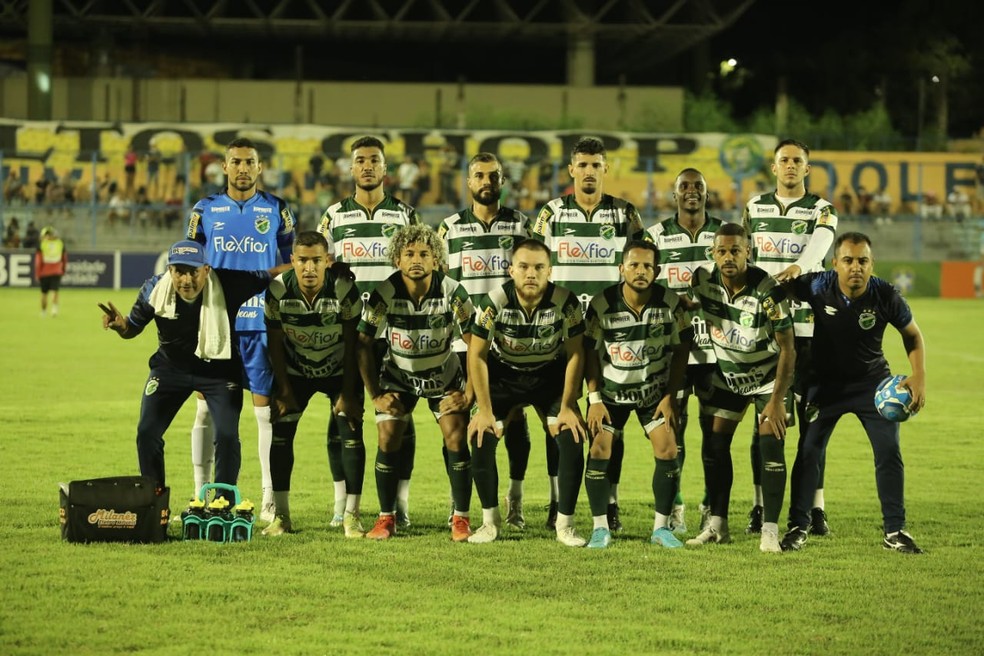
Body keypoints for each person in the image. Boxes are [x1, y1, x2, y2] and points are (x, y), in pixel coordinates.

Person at [780, 232, 927, 554]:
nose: (855, 267)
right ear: (835, 264)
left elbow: (912, 336)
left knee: (888, 452)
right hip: (824, 385)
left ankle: (895, 531)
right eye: (848, 260)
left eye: (862, 261)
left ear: (872, 264)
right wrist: (788, 277)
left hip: (872, 386)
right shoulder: (818, 285)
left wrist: (919, 375)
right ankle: (797, 526)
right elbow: (779, 290)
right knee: (808, 452)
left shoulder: (886, 294)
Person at [98, 240, 286, 491]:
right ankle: (156, 502)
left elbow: (270, 274)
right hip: (169, 370)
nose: (186, 279)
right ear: (169, 271)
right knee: (147, 432)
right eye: (179, 271)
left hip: (219, 372)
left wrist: (301, 263)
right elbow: (132, 327)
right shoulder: (154, 289)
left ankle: (222, 503)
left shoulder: (229, 283)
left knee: (228, 437)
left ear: (206, 270)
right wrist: (122, 328)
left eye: (193, 271)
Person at [532, 135, 644, 531]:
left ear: (605, 169)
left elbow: (640, 269)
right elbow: (536, 267)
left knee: (609, 420)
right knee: (556, 417)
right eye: (583, 165)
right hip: (560, 334)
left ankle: (609, 502)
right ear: (571, 170)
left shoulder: (626, 215)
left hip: (611, 335)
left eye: (597, 165)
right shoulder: (551, 215)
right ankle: (555, 500)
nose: (589, 172)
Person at [185, 137, 296, 520]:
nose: (243, 168)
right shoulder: (205, 210)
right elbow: (190, 263)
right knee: (204, 411)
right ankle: (201, 492)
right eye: (236, 162)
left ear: (260, 167)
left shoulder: (278, 209)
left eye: (250, 162)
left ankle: (268, 495)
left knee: (264, 413)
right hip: (214, 322)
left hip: (260, 323)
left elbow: (291, 261)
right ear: (225, 167)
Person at [317, 136, 421, 529]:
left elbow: (418, 268)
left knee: (400, 417)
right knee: (343, 413)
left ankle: (400, 502)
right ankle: (343, 503)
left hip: (395, 334)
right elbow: (321, 269)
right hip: (348, 334)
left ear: (385, 169)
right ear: (350, 168)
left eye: (374, 160)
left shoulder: (405, 216)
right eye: (359, 160)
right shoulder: (332, 217)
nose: (367, 167)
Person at [741, 138, 837, 536]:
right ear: (774, 166)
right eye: (785, 160)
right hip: (766, 328)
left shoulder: (821, 209)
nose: (791, 166)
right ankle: (759, 504)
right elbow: (744, 256)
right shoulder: (753, 207)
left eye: (798, 160)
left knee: (814, 422)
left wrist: (800, 265)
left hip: (809, 327)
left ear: (807, 168)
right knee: (764, 419)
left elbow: (822, 243)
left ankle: (815, 506)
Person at [357, 225, 475, 541]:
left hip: (442, 375)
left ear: (436, 259)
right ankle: (386, 518)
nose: (416, 260)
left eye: (424, 253)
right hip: (399, 376)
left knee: (455, 437)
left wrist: (469, 393)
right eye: (409, 254)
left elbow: (476, 342)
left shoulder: (454, 291)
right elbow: (363, 342)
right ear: (397, 259)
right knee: (387, 435)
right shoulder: (384, 292)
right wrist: (376, 394)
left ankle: (461, 518)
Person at [467, 239, 588, 546]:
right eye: (523, 267)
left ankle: (565, 524)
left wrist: (568, 405)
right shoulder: (492, 302)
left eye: (538, 267)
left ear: (550, 271)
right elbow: (477, 354)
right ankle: (490, 522)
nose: (531, 274)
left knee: (571, 438)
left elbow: (576, 353)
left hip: (548, 376)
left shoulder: (567, 302)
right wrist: (483, 410)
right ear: (511, 270)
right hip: (504, 376)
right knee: (482, 437)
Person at [685, 223, 795, 553]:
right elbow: (689, 308)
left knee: (770, 447)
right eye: (722, 251)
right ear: (713, 254)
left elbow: (788, 347)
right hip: (729, 375)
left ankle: (771, 530)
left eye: (736, 250)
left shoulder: (767, 288)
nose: (729, 257)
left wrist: (776, 400)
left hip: (766, 377)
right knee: (715, 445)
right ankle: (717, 525)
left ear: (748, 251)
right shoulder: (701, 280)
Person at [438, 152, 532, 530]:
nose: (486, 181)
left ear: (503, 181)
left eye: (493, 176)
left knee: (514, 420)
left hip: (510, 341)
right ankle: (458, 501)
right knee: (460, 421)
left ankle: (515, 497)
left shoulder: (522, 226)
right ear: (468, 181)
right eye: (479, 175)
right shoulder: (448, 229)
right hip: (464, 343)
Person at [582, 240, 691, 549]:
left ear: (656, 271)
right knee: (599, 450)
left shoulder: (671, 303)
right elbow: (589, 352)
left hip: (652, 394)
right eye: (634, 265)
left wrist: (671, 396)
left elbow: (682, 349)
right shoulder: (601, 304)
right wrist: (594, 399)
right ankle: (600, 528)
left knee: (668, 450)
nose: (640, 271)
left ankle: (661, 529)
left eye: (647, 266)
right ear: (622, 268)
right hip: (611, 394)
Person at [262, 231, 365, 537]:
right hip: (296, 372)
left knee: (351, 431)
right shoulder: (278, 290)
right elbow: (275, 343)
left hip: (339, 370)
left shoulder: (345, 289)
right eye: (303, 260)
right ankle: (281, 517)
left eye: (316, 261)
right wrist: (282, 390)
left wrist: (347, 394)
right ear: (292, 261)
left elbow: (352, 344)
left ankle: (352, 517)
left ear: (327, 262)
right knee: (281, 434)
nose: (309, 268)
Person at [645, 168, 726, 533]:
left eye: (698, 187)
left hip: (715, 352)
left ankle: (710, 506)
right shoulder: (656, 236)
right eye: (684, 187)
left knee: (713, 435)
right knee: (672, 431)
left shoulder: (724, 234)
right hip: (672, 351)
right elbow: (641, 283)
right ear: (673, 194)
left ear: (707, 194)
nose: (691, 192)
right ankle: (674, 506)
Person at [35, 226, 67, 318]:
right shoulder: (60, 243)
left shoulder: (42, 244)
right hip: (56, 271)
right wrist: (63, 269)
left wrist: (37, 274)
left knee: (44, 293)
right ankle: (54, 309)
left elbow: (38, 262)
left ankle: (43, 312)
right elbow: (64, 258)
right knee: (55, 291)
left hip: (44, 273)